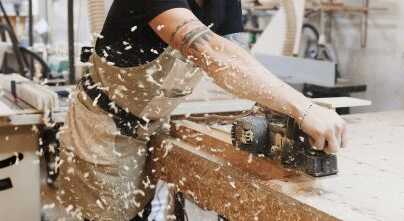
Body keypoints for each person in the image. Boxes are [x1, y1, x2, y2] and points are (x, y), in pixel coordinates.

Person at [56, 0, 347, 220]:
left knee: (142, 211)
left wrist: (283, 111)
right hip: (102, 129)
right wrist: (304, 108)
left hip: (152, 124)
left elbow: (238, 59)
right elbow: (212, 54)